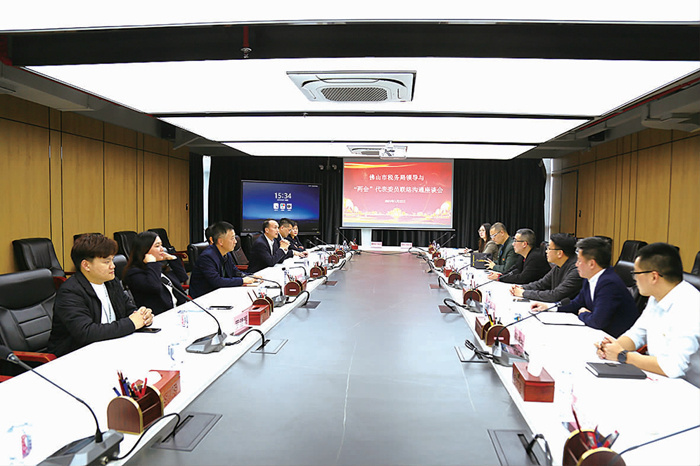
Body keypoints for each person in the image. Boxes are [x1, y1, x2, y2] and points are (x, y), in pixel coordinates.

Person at [595, 243, 700, 387]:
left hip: (690, 389)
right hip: (662, 379)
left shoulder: (689, 305)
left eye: (636, 273)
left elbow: (672, 367)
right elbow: (637, 334)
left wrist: (622, 355)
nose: (634, 279)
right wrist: (612, 347)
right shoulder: (656, 297)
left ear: (653, 277)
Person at [47, 234, 153, 357]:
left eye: (112, 260)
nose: (113, 266)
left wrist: (143, 316)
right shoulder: (70, 292)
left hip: (110, 347)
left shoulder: (111, 282)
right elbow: (86, 332)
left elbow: (128, 309)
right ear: (86, 265)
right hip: (75, 355)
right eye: (106, 262)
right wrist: (132, 323)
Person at [531, 236, 638, 337]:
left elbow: (597, 321)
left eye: (579, 261)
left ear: (591, 264)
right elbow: (576, 303)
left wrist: (583, 314)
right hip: (599, 334)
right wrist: (549, 307)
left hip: (615, 339)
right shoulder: (590, 278)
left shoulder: (609, 283)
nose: (576, 264)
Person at [122, 231, 188, 315]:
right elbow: (154, 287)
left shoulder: (158, 267)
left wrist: (172, 259)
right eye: (157, 246)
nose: (162, 249)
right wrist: (152, 263)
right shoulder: (133, 273)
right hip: (158, 316)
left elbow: (183, 277)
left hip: (178, 311)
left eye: (161, 245)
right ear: (144, 249)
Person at [189, 222, 258, 298]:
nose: (235, 241)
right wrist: (242, 281)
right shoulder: (207, 257)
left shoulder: (226, 253)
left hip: (220, 293)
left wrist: (252, 276)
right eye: (232, 238)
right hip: (204, 297)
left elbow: (235, 272)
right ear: (220, 241)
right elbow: (217, 281)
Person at [510, 233, 582, 302]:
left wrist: (523, 293)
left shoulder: (576, 270)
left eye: (549, 248)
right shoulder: (558, 266)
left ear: (559, 253)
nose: (546, 251)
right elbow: (541, 284)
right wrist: (522, 288)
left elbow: (555, 295)